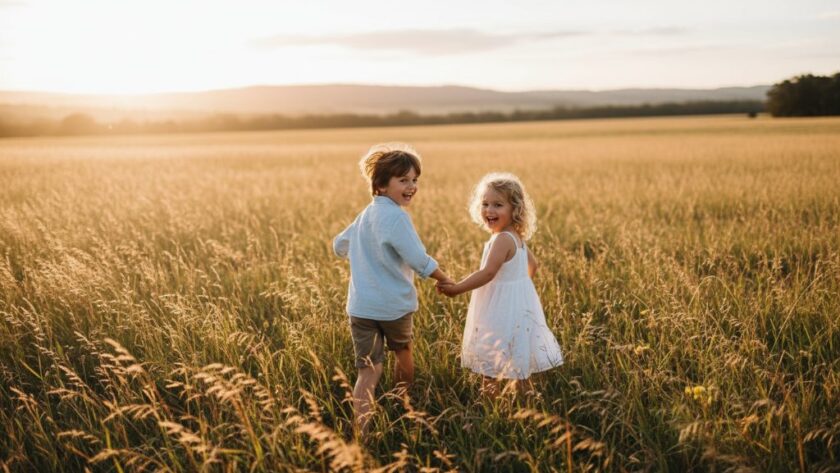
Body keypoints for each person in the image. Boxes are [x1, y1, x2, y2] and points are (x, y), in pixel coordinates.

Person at [333, 143, 453, 437]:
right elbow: (417, 258)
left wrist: (363, 251)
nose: (412, 187)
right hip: (393, 307)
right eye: (403, 180)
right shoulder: (397, 217)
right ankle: (404, 406)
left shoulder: (366, 214)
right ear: (381, 185)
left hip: (361, 308)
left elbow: (338, 246)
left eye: (415, 180)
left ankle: (361, 431)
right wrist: (444, 279)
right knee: (403, 351)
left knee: (368, 370)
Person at [437, 172, 563, 398]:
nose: (489, 210)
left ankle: (491, 405)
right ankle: (528, 403)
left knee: (490, 358)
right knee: (518, 358)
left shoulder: (502, 239)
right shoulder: (516, 237)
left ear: (515, 209)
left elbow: (488, 273)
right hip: (517, 306)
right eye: (485, 204)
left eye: (498, 205)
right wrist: (518, 287)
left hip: (499, 309)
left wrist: (456, 289)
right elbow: (533, 266)